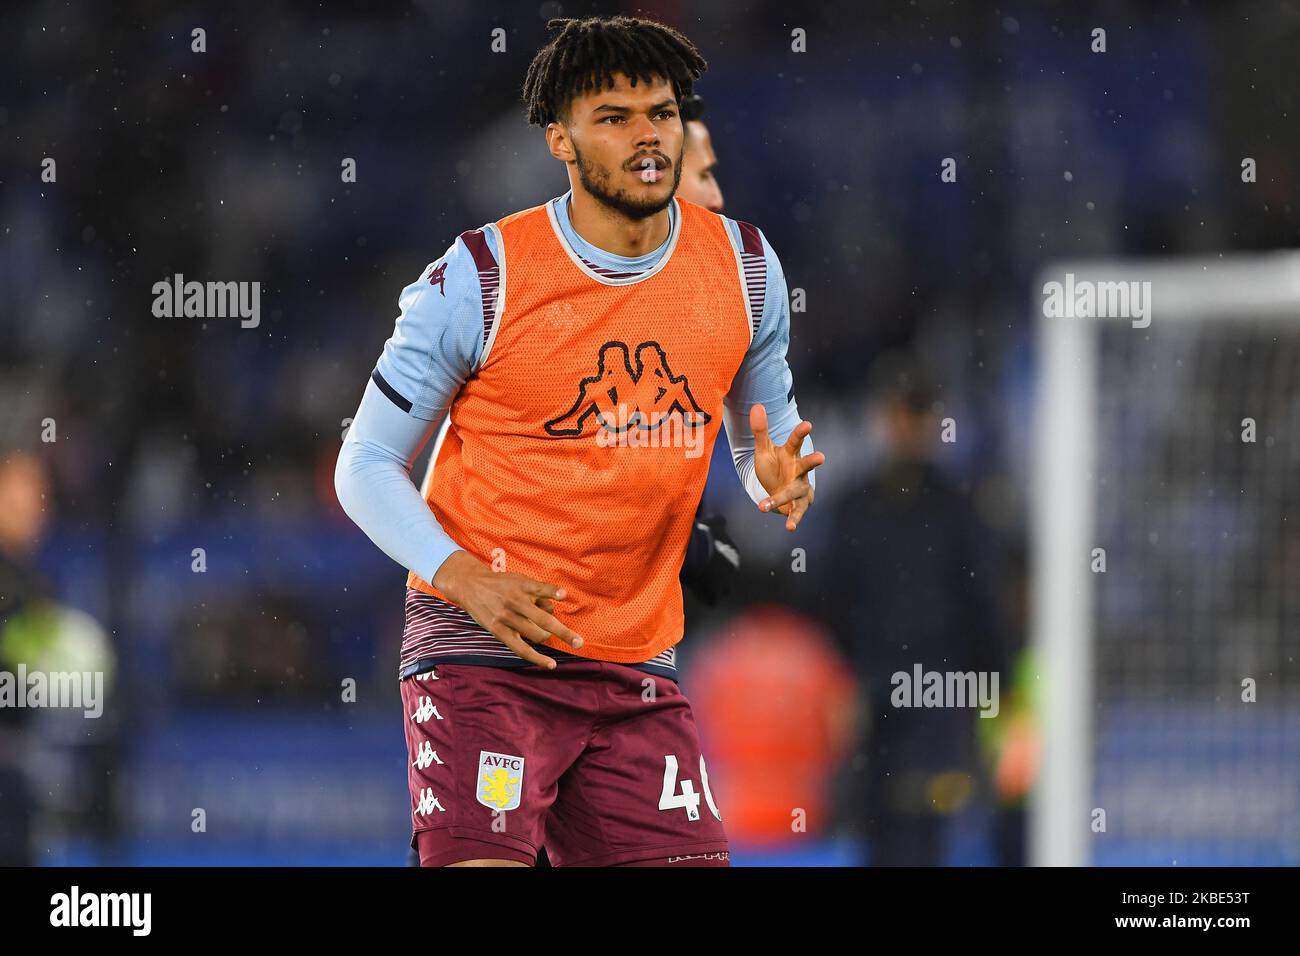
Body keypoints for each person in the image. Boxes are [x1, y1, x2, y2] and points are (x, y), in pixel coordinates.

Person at [336, 14, 823, 867]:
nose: (648, 137)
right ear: (559, 137)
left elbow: (761, 442)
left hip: (636, 665)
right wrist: (462, 580)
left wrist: (773, 476)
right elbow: (366, 465)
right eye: (615, 117)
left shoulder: (747, 268)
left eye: (663, 114)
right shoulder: (481, 277)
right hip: (485, 650)